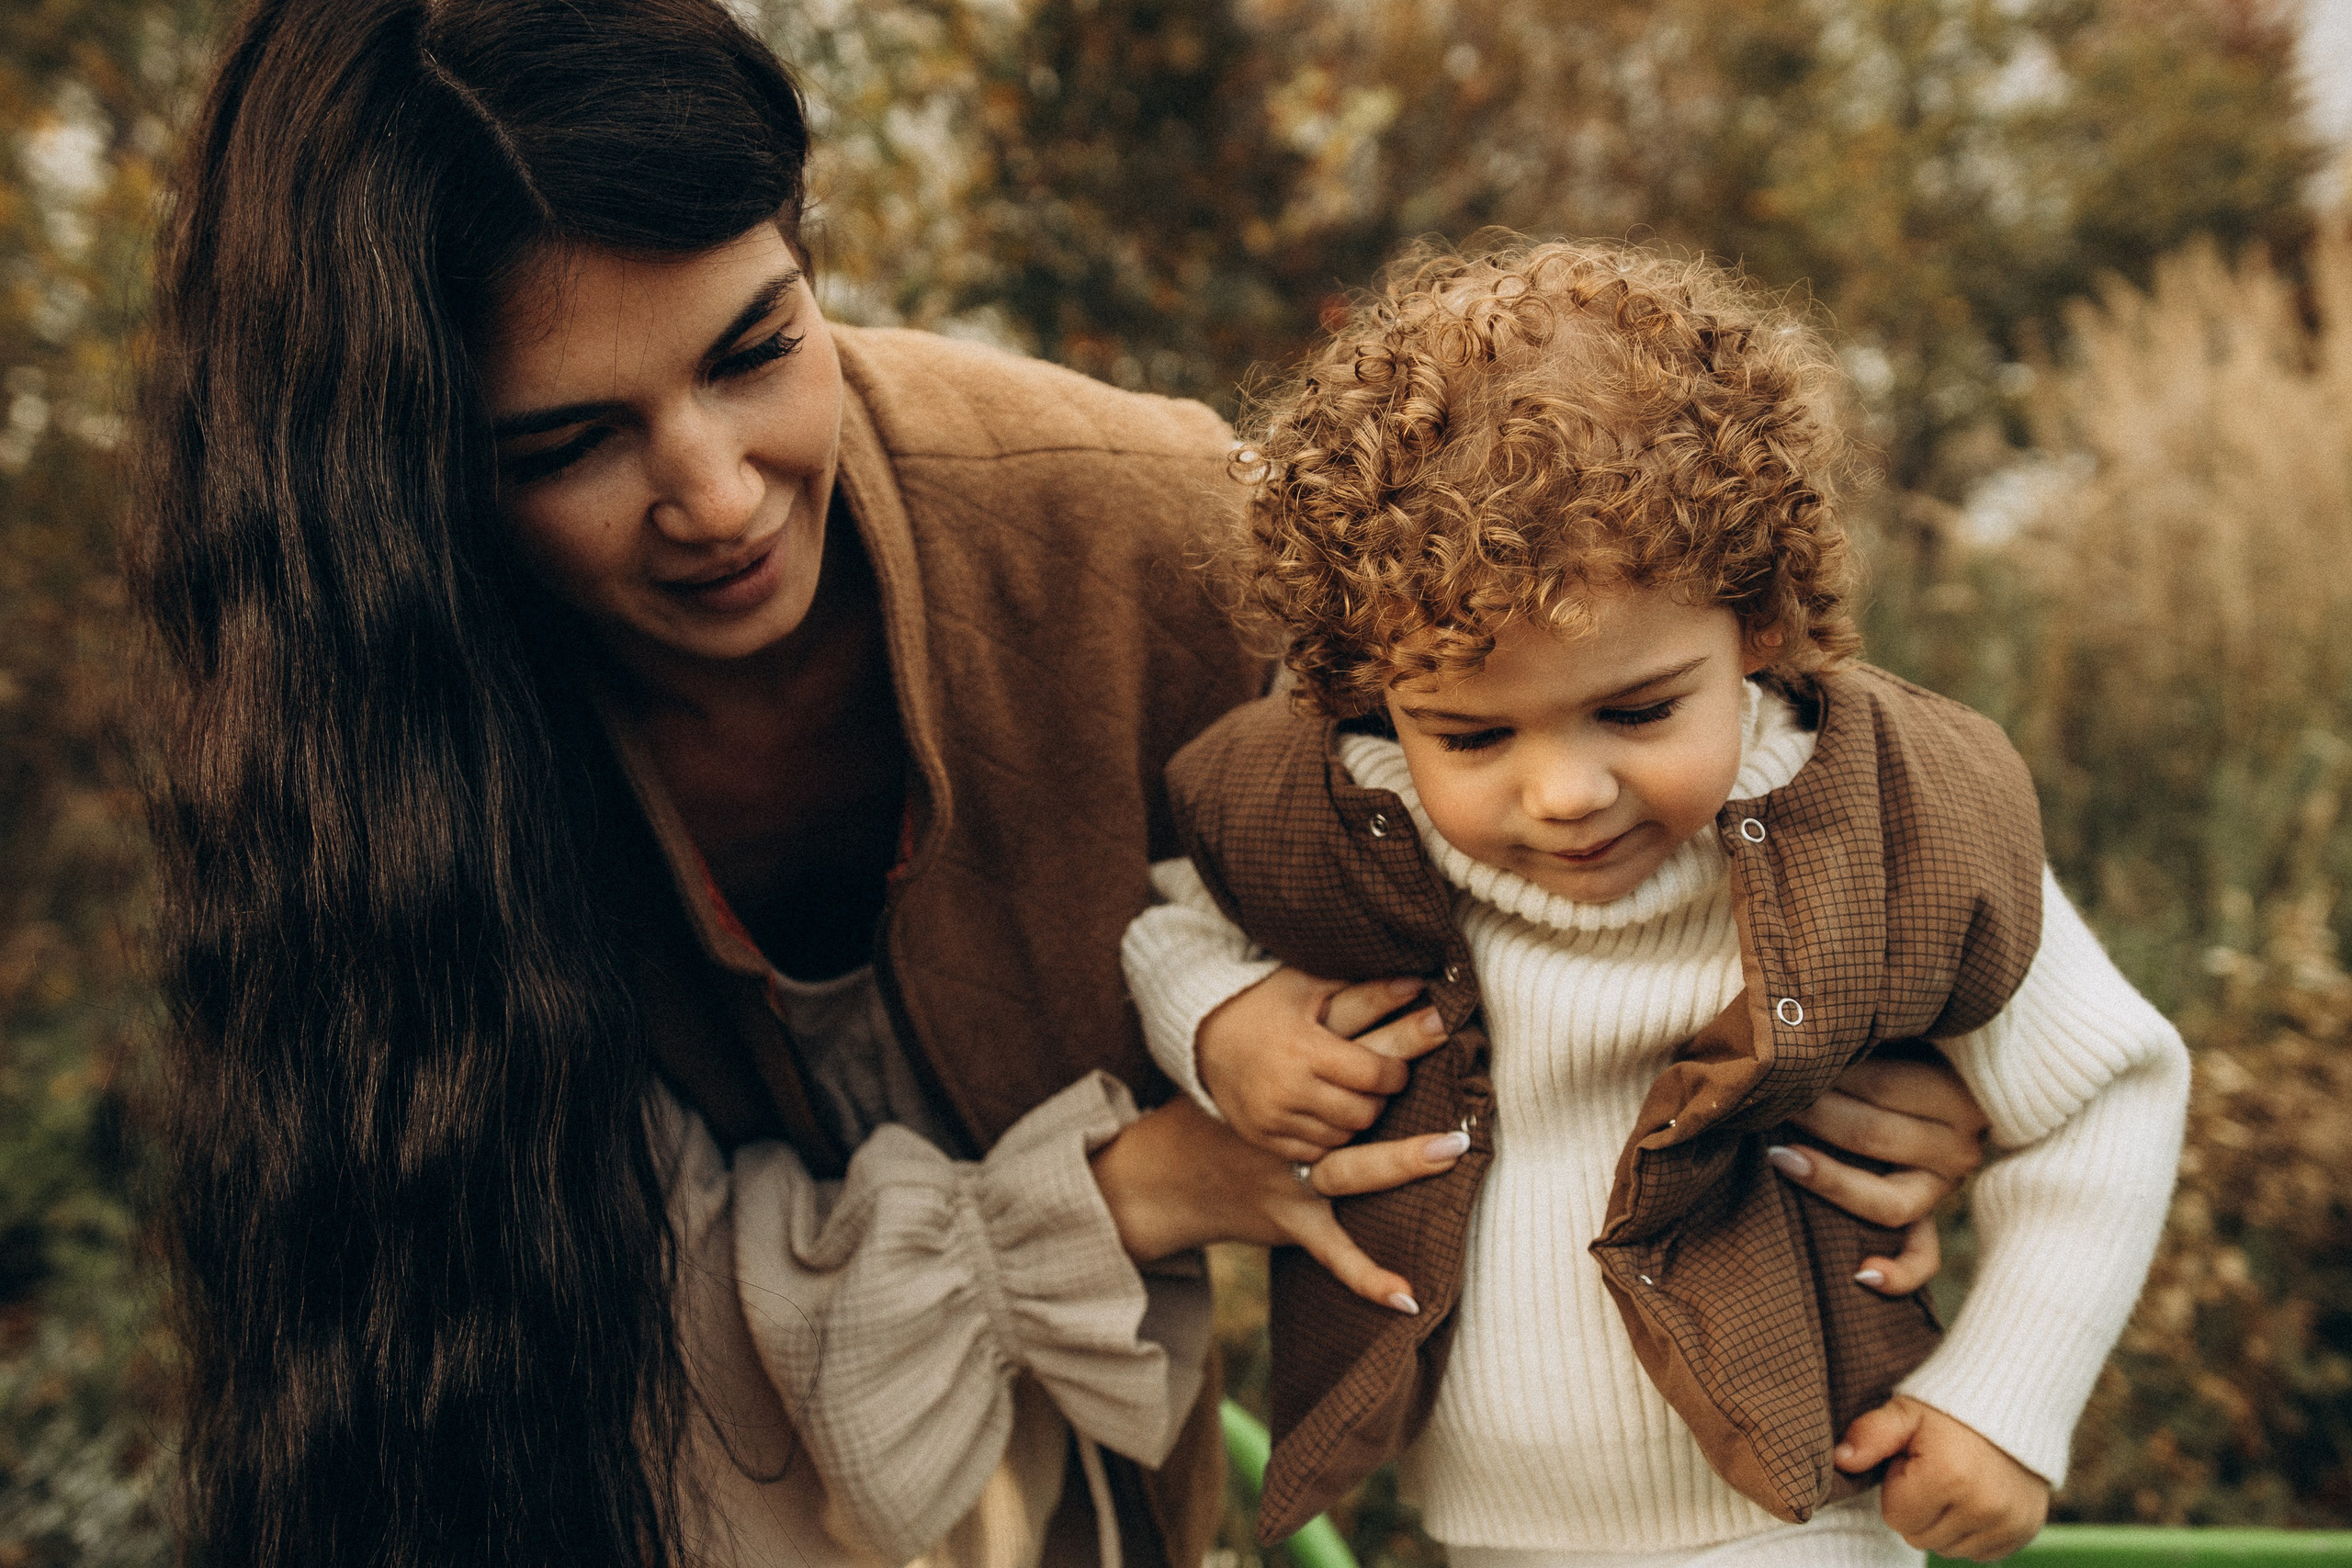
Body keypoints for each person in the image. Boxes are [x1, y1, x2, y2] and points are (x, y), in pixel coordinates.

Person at [129, 6, 2001, 1564]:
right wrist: (1128, 1189)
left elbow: (1620, 801)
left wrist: (1884, 1061)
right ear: (399, 471)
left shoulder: (1143, 529)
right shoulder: (353, 721)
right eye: (565, 443)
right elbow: (541, 1332)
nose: (714, 493)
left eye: (757, 349)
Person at [1122, 240, 2189, 1565]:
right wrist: (1220, 1024)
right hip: (1487, 1527)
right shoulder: (1332, 817)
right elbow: (1174, 926)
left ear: (1757, 624)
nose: (1564, 794)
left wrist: (2003, 1400)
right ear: (1366, 687)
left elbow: (2109, 1093)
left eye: (1636, 711)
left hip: (1796, 1515)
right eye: (1471, 735)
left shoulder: (1887, 829)